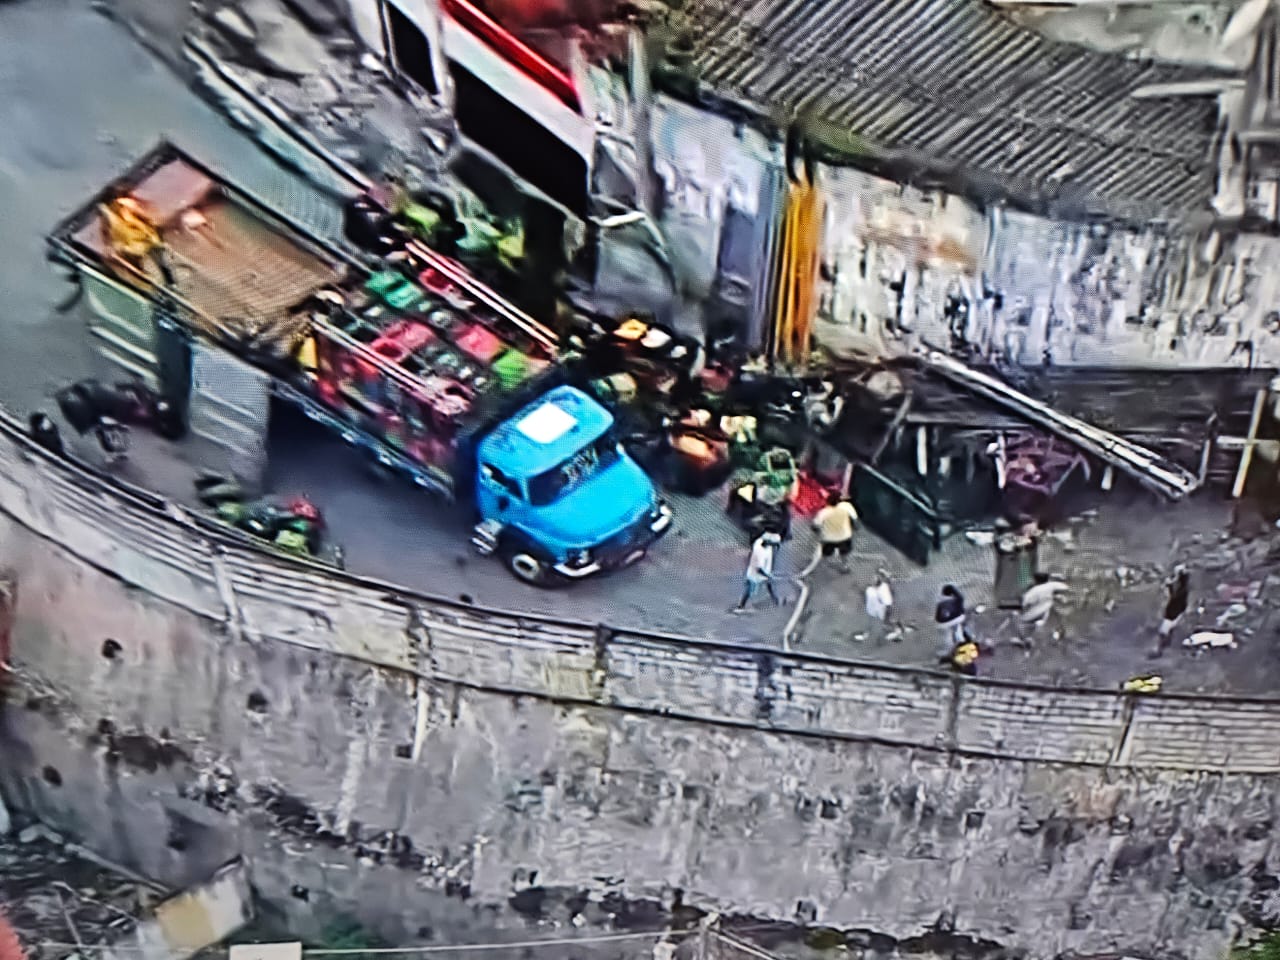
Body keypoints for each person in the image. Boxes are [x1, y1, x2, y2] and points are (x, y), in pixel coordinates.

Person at [734, 531, 782, 612]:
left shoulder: (763, 543)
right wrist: (768, 575)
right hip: (755, 573)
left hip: (765, 571)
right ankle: (740, 606)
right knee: (749, 589)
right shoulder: (759, 551)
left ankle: (776, 600)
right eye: (774, 544)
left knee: (770, 585)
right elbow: (759, 569)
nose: (775, 546)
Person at [812, 491, 858, 572]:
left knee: (826, 551)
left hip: (829, 538)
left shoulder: (824, 512)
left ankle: (820, 561)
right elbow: (855, 521)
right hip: (845, 536)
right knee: (845, 552)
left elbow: (815, 526)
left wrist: (819, 533)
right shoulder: (847, 506)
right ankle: (845, 566)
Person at [1019, 572, 1070, 643]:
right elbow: (1065, 586)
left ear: (1036, 580)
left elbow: (1024, 603)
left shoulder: (1033, 590)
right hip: (1046, 613)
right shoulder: (1051, 585)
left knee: (1022, 621)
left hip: (1034, 614)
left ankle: (1026, 638)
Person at [1153, 564, 1190, 657]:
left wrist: (1169, 586)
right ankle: (1163, 649)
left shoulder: (1181, 589)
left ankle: (1160, 650)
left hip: (1173, 613)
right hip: (1175, 611)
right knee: (1167, 631)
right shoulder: (1182, 587)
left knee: (1164, 632)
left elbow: (1174, 597)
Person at [935, 584, 967, 656]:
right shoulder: (957, 599)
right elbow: (961, 597)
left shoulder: (940, 602)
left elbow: (937, 617)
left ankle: (948, 651)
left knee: (948, 637)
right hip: (957, 619)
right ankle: (960, 649)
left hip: (943, 623)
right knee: (957, 633)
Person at [864, 570, 894, 641]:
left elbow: (885, 604)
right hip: (881, 608)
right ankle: (884, 628)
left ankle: (883, 632)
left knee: (878, 621)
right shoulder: (882, 586)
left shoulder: (878, 590)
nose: (872, 581)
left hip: (882, 608)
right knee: (878, 620)